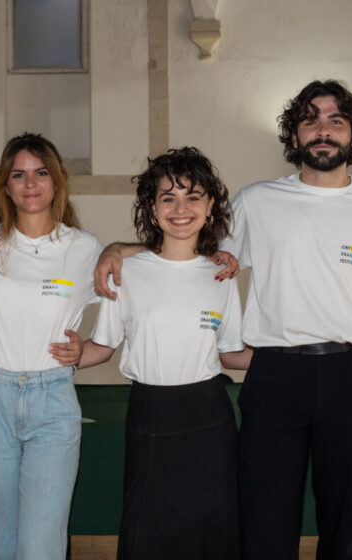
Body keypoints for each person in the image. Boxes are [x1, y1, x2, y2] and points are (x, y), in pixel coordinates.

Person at [95, 80, 352, 560]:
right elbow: (188, 245)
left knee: (349, 528)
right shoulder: (256, 201)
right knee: (263, 527)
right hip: (275, 375)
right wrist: (119, 249)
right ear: (293, 136)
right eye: (310, 120)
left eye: (336, 120)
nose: (323, 130)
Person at [77, 147, 251, 559]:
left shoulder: (222, 273)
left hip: (210, 416)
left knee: (212, 529)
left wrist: (289, 354)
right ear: (152, 210)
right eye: (168, 198)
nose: (181, 209)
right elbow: (102, 347)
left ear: (210, 206)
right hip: (151, 412)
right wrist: (54, 355)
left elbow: (232, 354)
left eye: (193, 197)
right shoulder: (125, 271)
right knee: (150, 527)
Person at [0, 133, 103, 560]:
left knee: (42, 542)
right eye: (18, 175)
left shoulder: (85, 248)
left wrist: (88, 351)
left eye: (41, 173)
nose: (30, 184)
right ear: (5, 186)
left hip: (52, 399)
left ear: (57, 181)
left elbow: (124, 315)